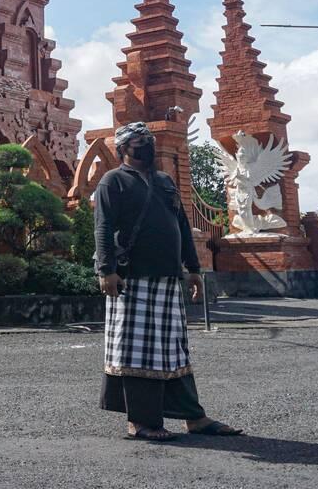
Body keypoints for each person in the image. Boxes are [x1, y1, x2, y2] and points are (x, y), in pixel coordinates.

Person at [93, 122, 243, 442]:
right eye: (137, 141)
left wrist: (192, 267)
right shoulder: (113, 181)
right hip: (132, 278)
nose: (145, 145)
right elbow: (103, 228)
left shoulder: (164, 182)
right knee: (138, 352)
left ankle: (194, 417)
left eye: (148, 140)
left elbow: (183, 227)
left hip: (168, 278)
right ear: (122, 149)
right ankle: (141, 421)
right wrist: (106, 270)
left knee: (173, 350)